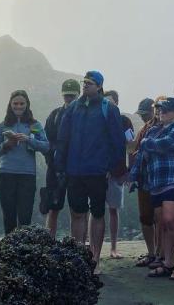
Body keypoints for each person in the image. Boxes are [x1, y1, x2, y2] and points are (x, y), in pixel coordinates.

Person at [54, 70, 127, 274]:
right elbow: (63, 137)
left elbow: (117, 141)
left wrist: (114, 168)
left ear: (99, 86)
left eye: (90, 82)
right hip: (74, 170)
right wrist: (60, 164)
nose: (85, 85)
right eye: (84, 82)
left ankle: (95, 259)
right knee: (77, 212)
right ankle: (79, 258)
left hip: (97, 170)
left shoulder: (108, 108)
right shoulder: (73, 107)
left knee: (97, 213)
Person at [129, 97, 174, 280]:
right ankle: (168, 263)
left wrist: (144, 143)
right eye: (159, 109)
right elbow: (141, 156)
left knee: (171, 220)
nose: (160, 112)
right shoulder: (153, 130)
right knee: (163, 223)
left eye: (165, 109)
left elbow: (166, 145)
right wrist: (133, 176)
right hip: (156, 183)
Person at [0, 90, 49, 234]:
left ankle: (23, 247)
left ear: (27, 104)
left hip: (27, 175)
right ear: (10, 105)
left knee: (25, 217)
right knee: (8, 217)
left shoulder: (34, 125)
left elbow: (46, 146)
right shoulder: (3, 125)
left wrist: (28, 139)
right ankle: (8, 247)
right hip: (6, 174)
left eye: (21, 103)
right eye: (15, 103)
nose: (18, 106)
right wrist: (7, 144)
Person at [42, 79, 81, 238]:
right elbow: (45, 141)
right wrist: (51, 160)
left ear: (78, 95)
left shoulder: (84, 115)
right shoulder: (54, 115)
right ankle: (48, 244)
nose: (69, 98)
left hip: (77, 169)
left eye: (72, 95)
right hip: (55, 169)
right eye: (66, 95)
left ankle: (77, 246)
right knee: (52, 209)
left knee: (77, 211)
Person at [130, 97, 162, 268]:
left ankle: (160, 253)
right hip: (142, 178)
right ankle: (151, 252)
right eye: (141, 114)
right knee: (145, 217)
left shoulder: (161, 126)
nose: (143, 117)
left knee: (159, 217)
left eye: (145, 113)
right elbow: (134, 149)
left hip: (157, 178)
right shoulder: (143, 129)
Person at [103, 89, 135, 259]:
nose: (108, 105)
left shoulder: (124, 121)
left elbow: (131, 145)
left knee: (113, 209)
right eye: (105, 102)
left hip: (117, 172)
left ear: (116, 102)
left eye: (110, 101)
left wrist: (130, 171)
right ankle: (90, 246)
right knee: (94, 211)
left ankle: (113, 248)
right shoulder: (96, 119)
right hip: (98, 172)